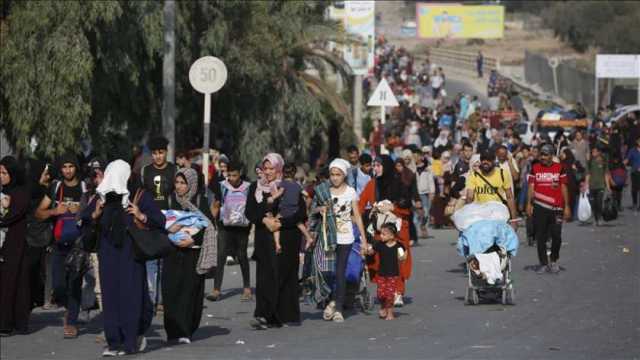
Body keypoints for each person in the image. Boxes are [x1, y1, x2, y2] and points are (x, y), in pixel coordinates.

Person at [82, 160, 163, 356]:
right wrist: (95, 213)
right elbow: (84, 219)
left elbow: (160, 219)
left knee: (131, 296)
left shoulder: (139, 195)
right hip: (108, 253)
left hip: (131, 254)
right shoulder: (102, 197)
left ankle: (130, 341)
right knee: (110, 297)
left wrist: (141, 215)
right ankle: (114, 343)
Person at [245, 153, 306, 329]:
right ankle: (264, 315)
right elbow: (250, 211)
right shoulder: (255, 188)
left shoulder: (289, 186)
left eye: (272, 168)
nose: (269, 172)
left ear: (279, 169)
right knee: (265, 277)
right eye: (266, 168)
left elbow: (301, 213)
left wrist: (280, 222)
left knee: (284, 277)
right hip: (264, 238)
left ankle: (285, 315)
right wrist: (264, 220)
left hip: (287, 237)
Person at [34, 153, 87, 339]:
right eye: (64, 167)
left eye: (71, 166)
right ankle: (69, 309)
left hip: (79, 245)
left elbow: (95, 212)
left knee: (75, 283)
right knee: (59, 285)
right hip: (58, 244)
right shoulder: (56, 187)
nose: (67, 170)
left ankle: (71, 321)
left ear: (76, 168)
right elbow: (39, 213)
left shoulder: (84, 187)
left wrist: (80, 210)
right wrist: (55, 210)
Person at [162, 168, 214, 345]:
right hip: (172, 252)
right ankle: (172, 331)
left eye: (183, 183)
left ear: (191, 184)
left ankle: (185, 330)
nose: (179, 186)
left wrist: (192, 239)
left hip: (192, 253)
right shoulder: (170, 200)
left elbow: (209, 227)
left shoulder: (200, 200)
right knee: (170, 291)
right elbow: (160, 223)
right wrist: (169, 230)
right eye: (177, 182)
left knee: (189, 292)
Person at [313, 159, 367, 323]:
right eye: (332, 174)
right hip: (328, 237)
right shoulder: (324, 191)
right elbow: (313, 210)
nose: (335, 178)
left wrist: (364, 239)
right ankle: (331, 300)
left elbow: (356, 215)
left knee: (340, 271)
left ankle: (337, 308)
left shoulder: (350, 192)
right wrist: (319, 209)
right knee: (324, 270)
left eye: (338, 174)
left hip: (346, 238)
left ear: (344, 175)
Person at [359, 155, 413, 307]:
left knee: (398, 260)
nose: (375, 168)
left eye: (378, 165)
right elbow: (361, 203)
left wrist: (393, 208)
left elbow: (407, 206)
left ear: (386, 167)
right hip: (379, 231)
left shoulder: (398, 183)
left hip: (398, 230)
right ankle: (385, 290)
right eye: (374, 165)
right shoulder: (372, 184)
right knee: (380, 262)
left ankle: (398, 292)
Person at [207, 161, 252, 302]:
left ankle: (246, 288)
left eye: (235, 175)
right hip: (224, 226)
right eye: (229, 175)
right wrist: (211, 221)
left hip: (242, 227)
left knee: (242, 255)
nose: (231, 178)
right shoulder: (221, 186)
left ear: (240, 174)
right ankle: (216, 289)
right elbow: (215, 204)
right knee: (220, 255)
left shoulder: (248, 187)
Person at [141, 136, 176, 311]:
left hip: (169, 221)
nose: (158, 157)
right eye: (154, 153)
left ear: (166, 152)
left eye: (161, 153)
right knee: (151, 261)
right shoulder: (145, 171)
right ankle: (150, 299)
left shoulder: (174, 170)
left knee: (165, 261)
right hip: (149, 221)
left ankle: (162, 300)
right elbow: (140, 195)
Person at [527, 144, 571, 274]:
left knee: (556, 235)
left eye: (546, 155)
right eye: (541, 154)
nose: (543, 157)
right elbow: (531, 186)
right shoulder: (535, 168)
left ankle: (553, 260)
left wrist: (567, 206)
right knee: (540, 236)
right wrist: (529, 204)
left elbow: (564, 187)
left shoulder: (559, 168)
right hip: (540, 207)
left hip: (556, 208)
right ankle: (543, 263)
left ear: (552, 156)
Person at [0, 156, 31, 336]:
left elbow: (11, 215)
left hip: (14, 244)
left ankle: (9, 323)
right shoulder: (5, 191)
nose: (1, 176)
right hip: (4, 243)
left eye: (4, 173)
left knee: (13, 281)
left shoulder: (20, 192)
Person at [465, 150, 518, 230]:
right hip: (480, 216)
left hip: (498, 215)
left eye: (489, 159)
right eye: (483, 159)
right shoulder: (474, 175)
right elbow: (469, 197)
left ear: (494, 160)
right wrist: (469, 217)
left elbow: (510, 197)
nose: (485, 162)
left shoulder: (502, 173)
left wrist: (514, 220)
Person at [364, 223, 406, 321]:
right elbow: (372, 251)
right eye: (381, 234)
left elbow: (403, 255)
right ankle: (383, 306)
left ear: (392, 236)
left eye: (384, 234)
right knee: (381, 294)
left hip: (393, 274)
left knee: (390, 294)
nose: (381, 236)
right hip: (381, 274)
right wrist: (367, 250)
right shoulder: (379, 244)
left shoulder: (398, 245)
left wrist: (402, 256)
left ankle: (390, 313)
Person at [270, 163, 315, 255]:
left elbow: (280, 192)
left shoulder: (284, 183)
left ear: (283, 173)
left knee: (275, 224)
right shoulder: (297, 185)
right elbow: (306, 194)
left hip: (284, 210)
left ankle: (277, 244)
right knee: (299, 224)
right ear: (294, 173)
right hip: (294, 210)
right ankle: (308, 237)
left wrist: (272, 198)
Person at [586, 147, 612, 226]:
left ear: (599, 152)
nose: (593, 153)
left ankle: (600, 218)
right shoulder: (590, 161)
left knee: (599, 202)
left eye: (595, 151)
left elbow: (606, 174)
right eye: (592, 151)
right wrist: (586, 184)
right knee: (593, 203)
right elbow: (588, 174)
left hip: (600, 186)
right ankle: (595, 217)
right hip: (592, 186)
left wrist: (608, 187)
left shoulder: (603, 162)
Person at [623, 138, 640, 212]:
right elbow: (627, 160)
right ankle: (635, 204)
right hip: (635, 172)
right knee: (634, 189)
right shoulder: (632, 150)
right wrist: (620, 164)